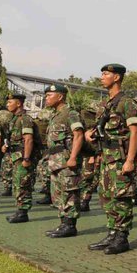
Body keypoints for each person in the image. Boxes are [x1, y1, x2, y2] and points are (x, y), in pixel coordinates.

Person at [85, 63, 137, 255]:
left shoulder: (127, 102)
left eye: (106, 73)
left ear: (116, 77)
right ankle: (112, 232)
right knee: (107, 197)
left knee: (121, 197)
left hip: (120, 158)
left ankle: (122, 237)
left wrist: (131, 160)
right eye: (102, 73)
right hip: (106, 158)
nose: (102, 77)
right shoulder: (105, 105)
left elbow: (135, 132)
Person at [43, 83, 85, 238]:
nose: (46, 98)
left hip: (67, 160)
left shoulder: (70, 113)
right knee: (58, 194)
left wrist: (73, 157)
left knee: (69, 192)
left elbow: (78, 134)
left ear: (60, 96)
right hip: (55, 162)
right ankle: (63, 224)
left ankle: (70, 226)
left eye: (49, 95)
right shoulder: (55, 115)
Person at [5, 93, 38, 224]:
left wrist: (26, 159)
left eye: (10, 102)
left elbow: (28, 140)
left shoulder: (25, 119)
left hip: (22, 157)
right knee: (18, 184)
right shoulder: (15, 119)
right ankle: (19, 210)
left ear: (18, 103)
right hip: (16, 156)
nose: (7, 104)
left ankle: (23, 212)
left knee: (23, 184)